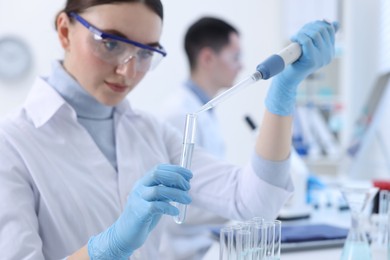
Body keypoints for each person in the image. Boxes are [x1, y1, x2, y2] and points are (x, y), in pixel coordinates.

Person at [0, 0, 337, 259]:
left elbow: (256, 202)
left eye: (145, 53)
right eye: (110, 43)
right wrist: (109, 248)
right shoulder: (11, 142)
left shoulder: (151, 133)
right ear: (64, 31)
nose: (127, 70)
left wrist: (284, 92)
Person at [158, 17, 242, 260]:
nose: (241, 65)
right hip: (184, 250)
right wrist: (240, 201)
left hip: (205, 243)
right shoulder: (179, 114)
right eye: (235, 57)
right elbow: (178, 206)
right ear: (207, 58)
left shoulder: (203, 110)